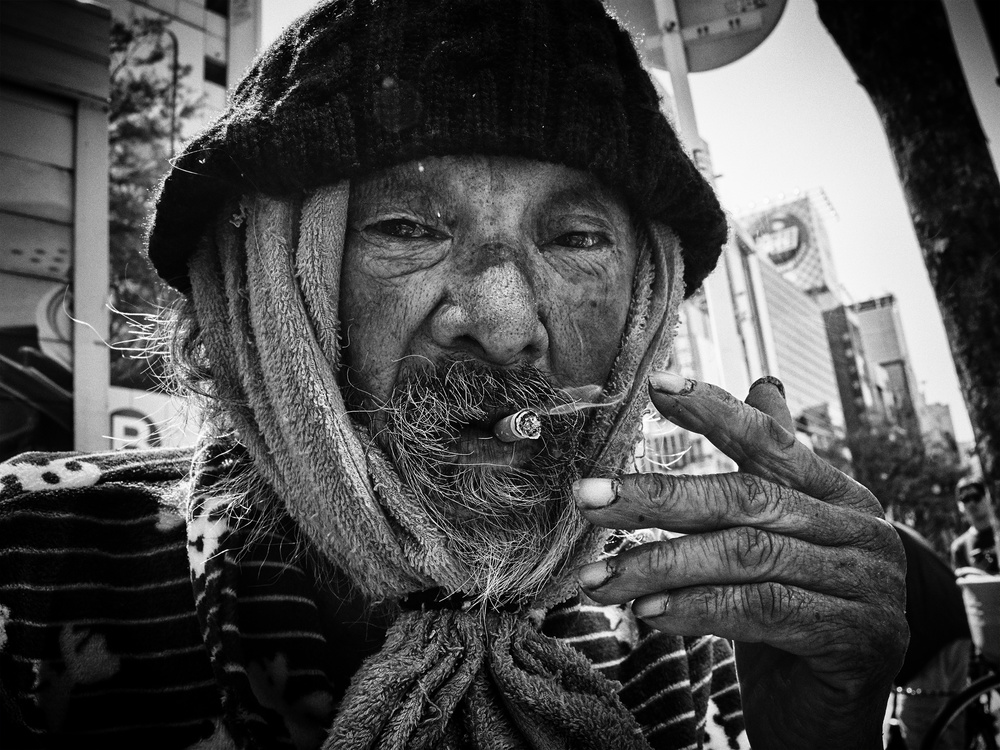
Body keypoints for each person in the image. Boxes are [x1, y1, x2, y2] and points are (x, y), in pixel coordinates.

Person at [0, 1, 907, 748]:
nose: (507, 324)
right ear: (263, 294)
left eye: (578, 239)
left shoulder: (689, 631)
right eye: (405, 229)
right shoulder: (32, 570)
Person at [888, 522, 972, 750]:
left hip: (934, 629)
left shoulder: (872, 532)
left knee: (917, 718)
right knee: (951, 718)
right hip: (959, 618)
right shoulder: (890, 527)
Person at [950, 476, 999, 574]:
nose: (971, 503)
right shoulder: (959, 548)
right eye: (965, 499)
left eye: (976, 497)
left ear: (987, 497)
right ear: (960, 506)